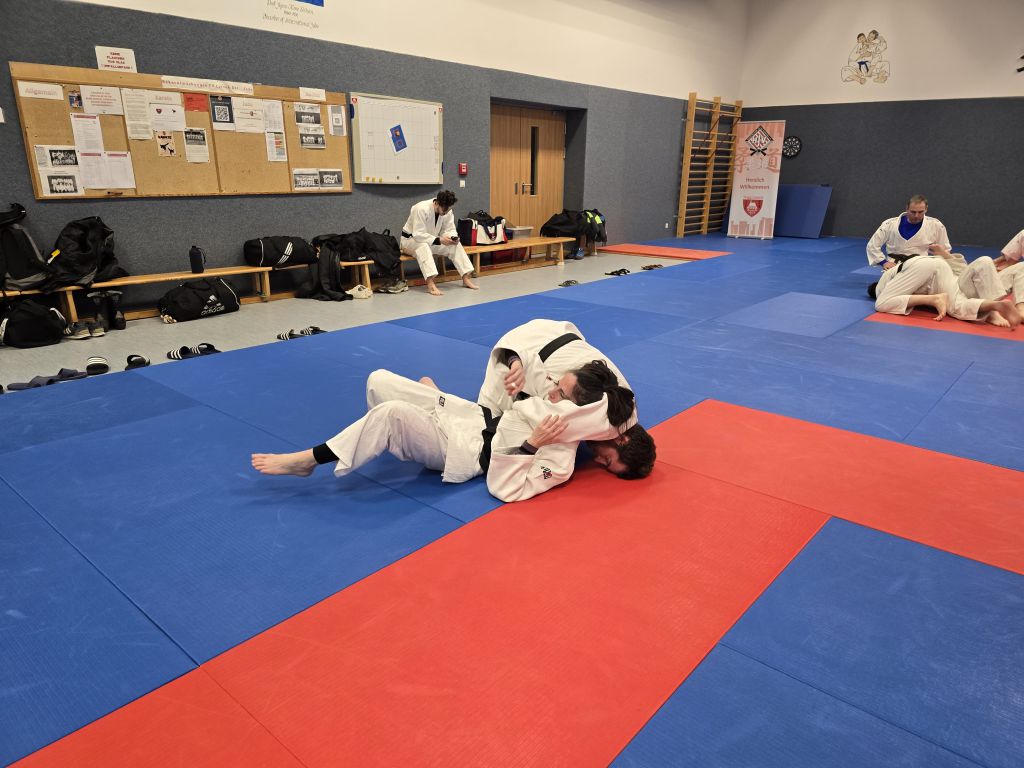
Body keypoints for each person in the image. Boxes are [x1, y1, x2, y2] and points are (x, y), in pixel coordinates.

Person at [252, 365, 656, 503]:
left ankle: (308, 460)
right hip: (471, 416)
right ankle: (410, 423)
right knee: (379, 380)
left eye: (560, 394)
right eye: (608, 460)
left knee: (391, 415)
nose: (552, 393)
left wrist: (532, 445)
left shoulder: (562, 456)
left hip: (465, 449)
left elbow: (506, 488)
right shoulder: (576, 412)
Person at [477, 319, 637, 442]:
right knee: (485, 423)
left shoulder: (625, 400)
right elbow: (528, 411)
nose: (598, 460)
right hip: (523, 342)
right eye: (607, 459)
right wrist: (515, 362)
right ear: (622, 440)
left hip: (554, 329)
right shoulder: (602, 419)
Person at [868, 255, 1020, 328]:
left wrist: (931, 299)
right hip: (943, 267)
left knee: (956, 307)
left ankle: (994, 307)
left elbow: (882, 302)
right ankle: (1007, 308)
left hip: (925, 269)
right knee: (983, 264)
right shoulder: (901, 275)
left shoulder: (882, 286)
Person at [400, 190, 478, 296]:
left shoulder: (447, 210)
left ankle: (465, 278)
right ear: (436, 203)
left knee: (454, 246)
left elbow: (449, 229)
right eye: (444, 209)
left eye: (448, 209)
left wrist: (452, 238)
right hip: (410, 241)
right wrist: (439, 240)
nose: (446, 212)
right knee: (423, 246)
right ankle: (430, 283)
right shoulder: (420, 208)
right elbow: (418, 234)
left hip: (431, 241)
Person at [866, 195, 953, 270]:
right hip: (894, 265)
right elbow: (872, 245)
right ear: (907, 208)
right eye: (913, 212)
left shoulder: (936, 225)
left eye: (920, 212)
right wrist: (883, 262)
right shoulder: (889, 224)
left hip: (921, 266)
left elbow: (945, 250)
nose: (916, 215)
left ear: (926, 209)